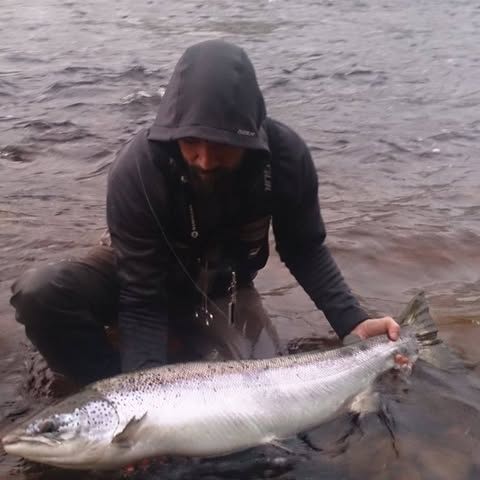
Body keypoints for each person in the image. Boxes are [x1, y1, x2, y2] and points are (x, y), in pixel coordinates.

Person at [10, 40, 399, 387]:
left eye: (222, 145)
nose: (205, 159)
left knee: (261, 387)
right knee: (40, 293)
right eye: (192, 142)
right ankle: (103, 394)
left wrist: (351, 320)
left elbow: (304, 249)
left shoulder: (285, 159)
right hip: (138, 279)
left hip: (222, 288)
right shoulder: (138, 169)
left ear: (252, 135)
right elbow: (142, 298)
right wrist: (140, 398)